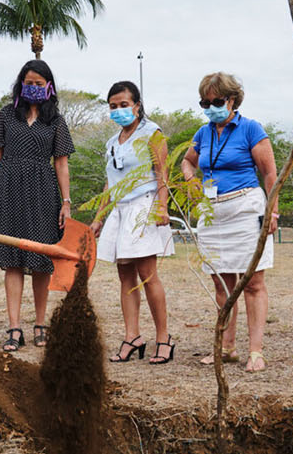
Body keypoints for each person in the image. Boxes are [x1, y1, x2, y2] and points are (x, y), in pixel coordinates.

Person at [179, 72, 278, 373]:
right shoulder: (203, 133)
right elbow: (187, 161)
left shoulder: (251, 129)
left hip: (245, 208)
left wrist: (271, 212)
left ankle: (256, 351)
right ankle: (227, 348)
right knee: (222, 283)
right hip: (213, 212)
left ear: (232, 100)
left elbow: (270, 173)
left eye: (217, 101)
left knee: (253, 283)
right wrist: (190, 180)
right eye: (205, 103)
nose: (211, 107)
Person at [0, 59, 74, 352]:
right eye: (28, 83)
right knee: (13, 260)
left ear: (49, 86)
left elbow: (61, 163)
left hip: (43, 190)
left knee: (42, 259)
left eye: (38, 83)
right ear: (21, 84)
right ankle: (14, 327)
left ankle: (40, 324)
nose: (33, 88)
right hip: (7, 187)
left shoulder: (56, 120)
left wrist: (66, 202)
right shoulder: (6, 115)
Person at [91, 81, 175, 365]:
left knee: (147, 273)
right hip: (120, 210)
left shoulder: (153, 133)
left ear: (137, 105)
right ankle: (132, 336)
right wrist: (99, 217)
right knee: (124, 275)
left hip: (144, 204)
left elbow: (162, 173)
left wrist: (162, 207)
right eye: (113, 106)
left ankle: (163, 338)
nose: (118, 111)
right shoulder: (112, 142)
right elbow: (109, 182)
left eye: (124, 105)